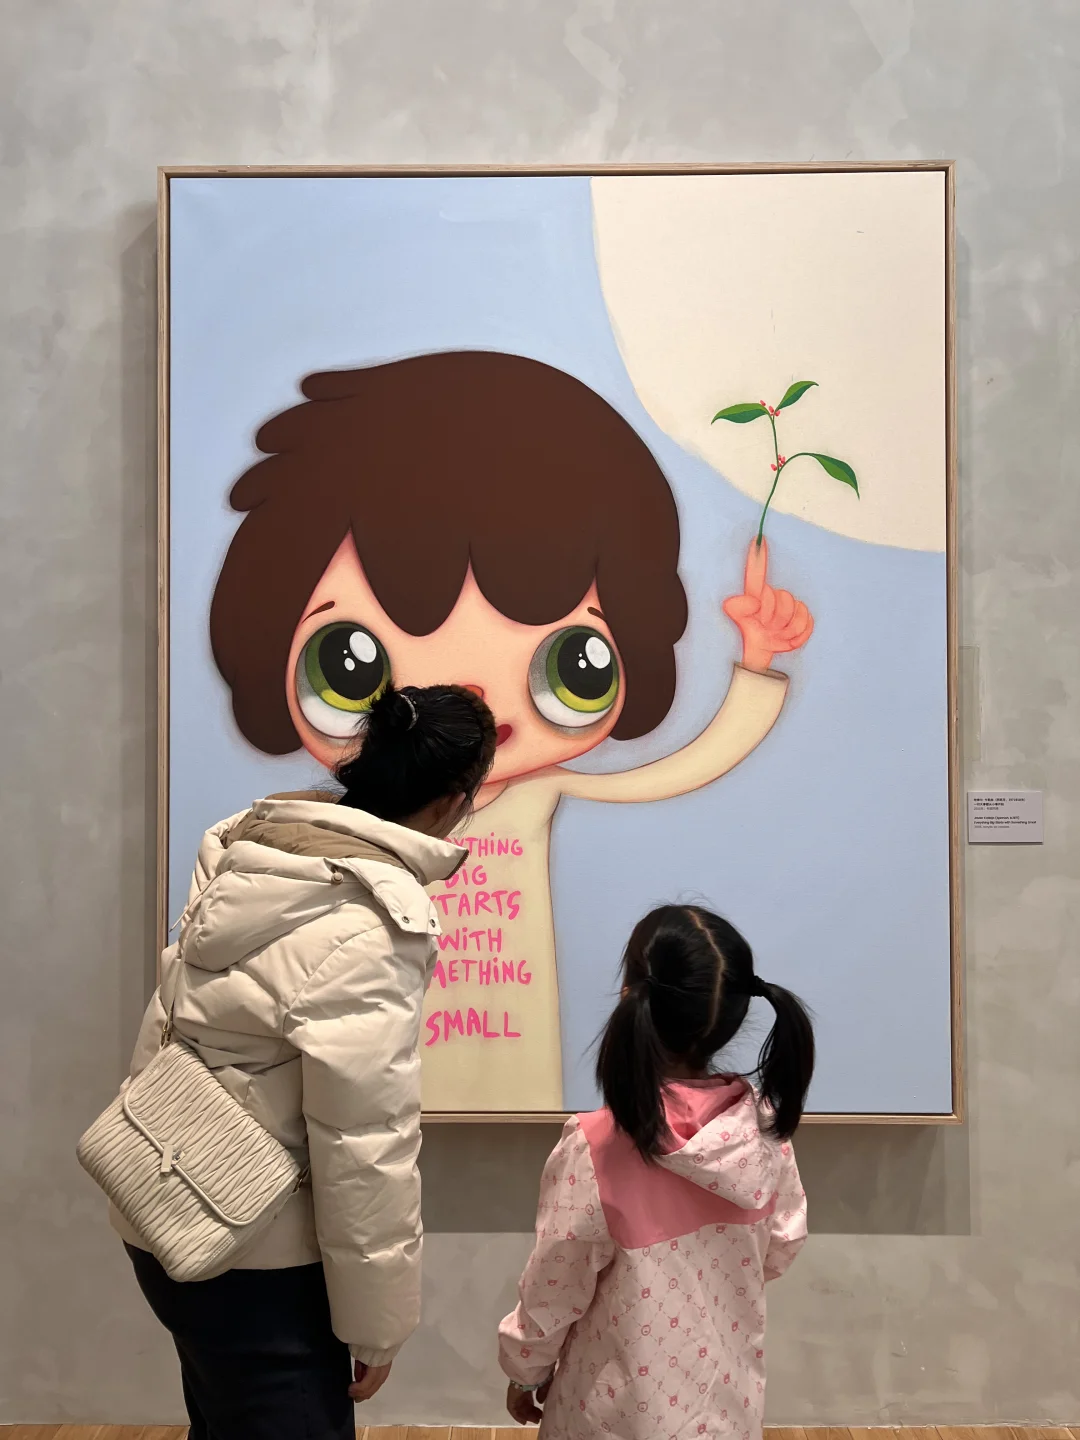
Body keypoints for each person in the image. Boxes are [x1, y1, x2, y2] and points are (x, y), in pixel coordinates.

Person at [209, 351, 813, 1111]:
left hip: (512, 1046)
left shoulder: (527, 791)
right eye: (348, 665)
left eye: (574, 665)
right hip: (375, 1048)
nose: (469, 699)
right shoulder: (341, 823)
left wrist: (757, 662)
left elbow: (689, 765)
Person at [117, 683, 496, 1440]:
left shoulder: (250, 852)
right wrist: (377, 1327)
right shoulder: (373, 924)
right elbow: (365, 1143)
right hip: (255, 1257)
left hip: (161, 1207)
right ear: (453, 801)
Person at [498, 904, 814, 1440]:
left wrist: (525, 1368)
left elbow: (555, 1285)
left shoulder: (597, 1145)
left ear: (631, 997)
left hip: (612, 1415)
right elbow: (782, 1244)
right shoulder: (763, 1129)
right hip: (726, 1407)